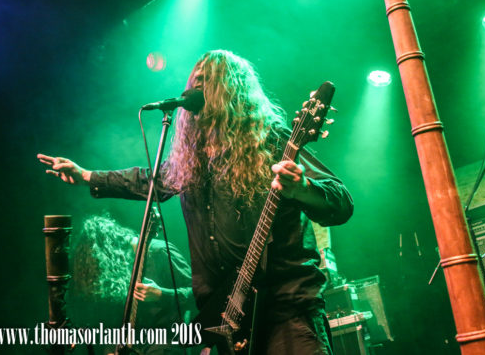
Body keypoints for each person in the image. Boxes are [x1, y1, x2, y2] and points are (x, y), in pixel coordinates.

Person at [38, 49, 353, 354]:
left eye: (207, 79)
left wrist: (302, 187)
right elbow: (148, 180)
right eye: (194, 79)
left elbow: (341, 201)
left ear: (230, 90)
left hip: (287, 311)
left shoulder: (269, 139)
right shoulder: (192, 159)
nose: (196, 85)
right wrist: (87, 175)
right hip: (231, 317)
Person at [69, 214, 195, 355]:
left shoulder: (160, 251)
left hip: (167, 339)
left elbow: (197, 295)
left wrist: (161, 294)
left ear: (109, 252)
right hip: (135, 342)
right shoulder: (121, 267)